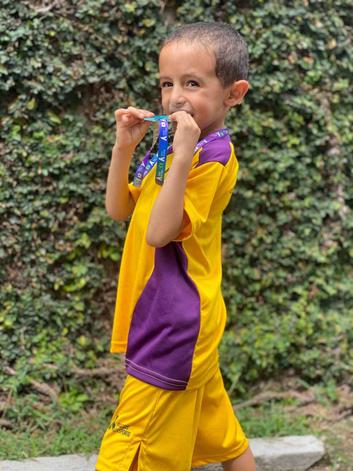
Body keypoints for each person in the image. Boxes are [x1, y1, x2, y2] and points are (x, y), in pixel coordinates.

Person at [96, 22, 256, 471]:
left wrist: (183, 155)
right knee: (219, 432)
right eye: (167, 84)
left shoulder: (212, 157)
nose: (176, 97)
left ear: (233, 93)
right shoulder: (175, 146)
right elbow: (120, 209)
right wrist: (123, 149)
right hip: (174, 314)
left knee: (129, 450)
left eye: (192, 83)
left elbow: (158, 233)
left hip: (174, 323)